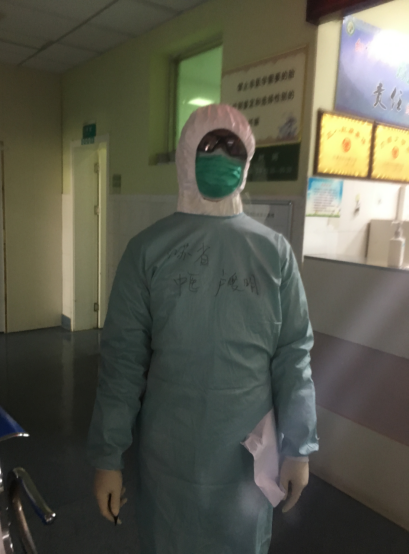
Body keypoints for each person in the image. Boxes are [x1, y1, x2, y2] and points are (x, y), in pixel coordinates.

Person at [87, 104, 318, 554]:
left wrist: (298, 446)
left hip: (247, 457)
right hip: (170, 455)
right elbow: (122, 362)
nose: (222, 158)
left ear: (247, 162)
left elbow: (293, 355)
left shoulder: (275, 254)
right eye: (210, 147)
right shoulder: (147, 252)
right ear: (186, 155)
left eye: (233, 149)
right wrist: (107, 457)